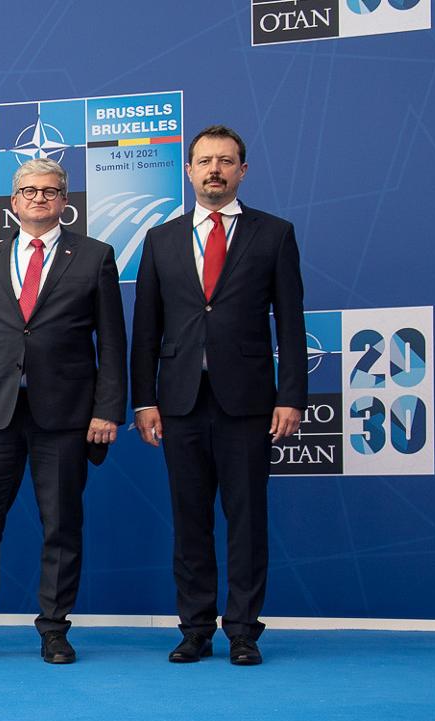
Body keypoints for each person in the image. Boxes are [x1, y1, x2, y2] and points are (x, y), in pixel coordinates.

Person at [0, 157, 126, 665]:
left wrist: (107, 410)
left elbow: (112, 343)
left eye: (50, 191)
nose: (39, 199)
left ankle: (54, 630)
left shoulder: (95, 257)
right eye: (29, 191)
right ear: (13, 202)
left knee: (61, 524)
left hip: (66, 415)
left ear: (65, 201)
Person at [131, 125, 304, 666]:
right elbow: (146, 329)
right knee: (190, 522)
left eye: (225, 161)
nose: (214, 170)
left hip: (249, 402)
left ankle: (245, 632)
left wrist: (290, 396)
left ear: (242, 171)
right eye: (204, 160)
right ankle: (195, 629)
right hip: (179, 403)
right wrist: (143, 400)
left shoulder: (274, 234)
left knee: (247, 520)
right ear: (188, 170)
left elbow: (292, 325)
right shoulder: (160, 239)